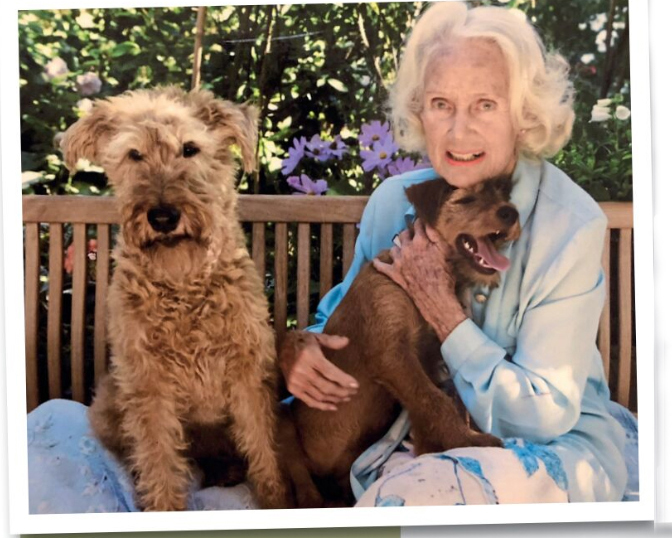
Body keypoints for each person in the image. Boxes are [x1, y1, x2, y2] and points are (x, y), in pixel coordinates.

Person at [278, 2, 638, 505]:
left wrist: (445, 315)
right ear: (419, 112)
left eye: (485, 104)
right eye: (441, 103)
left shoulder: (570, 225)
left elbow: (544, 417)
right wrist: (298, 349)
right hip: (403, 442)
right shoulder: (395, 202)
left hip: (551, 450)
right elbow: (345, 325)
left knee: (416, 499)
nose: (458, 130)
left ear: (523, 115)